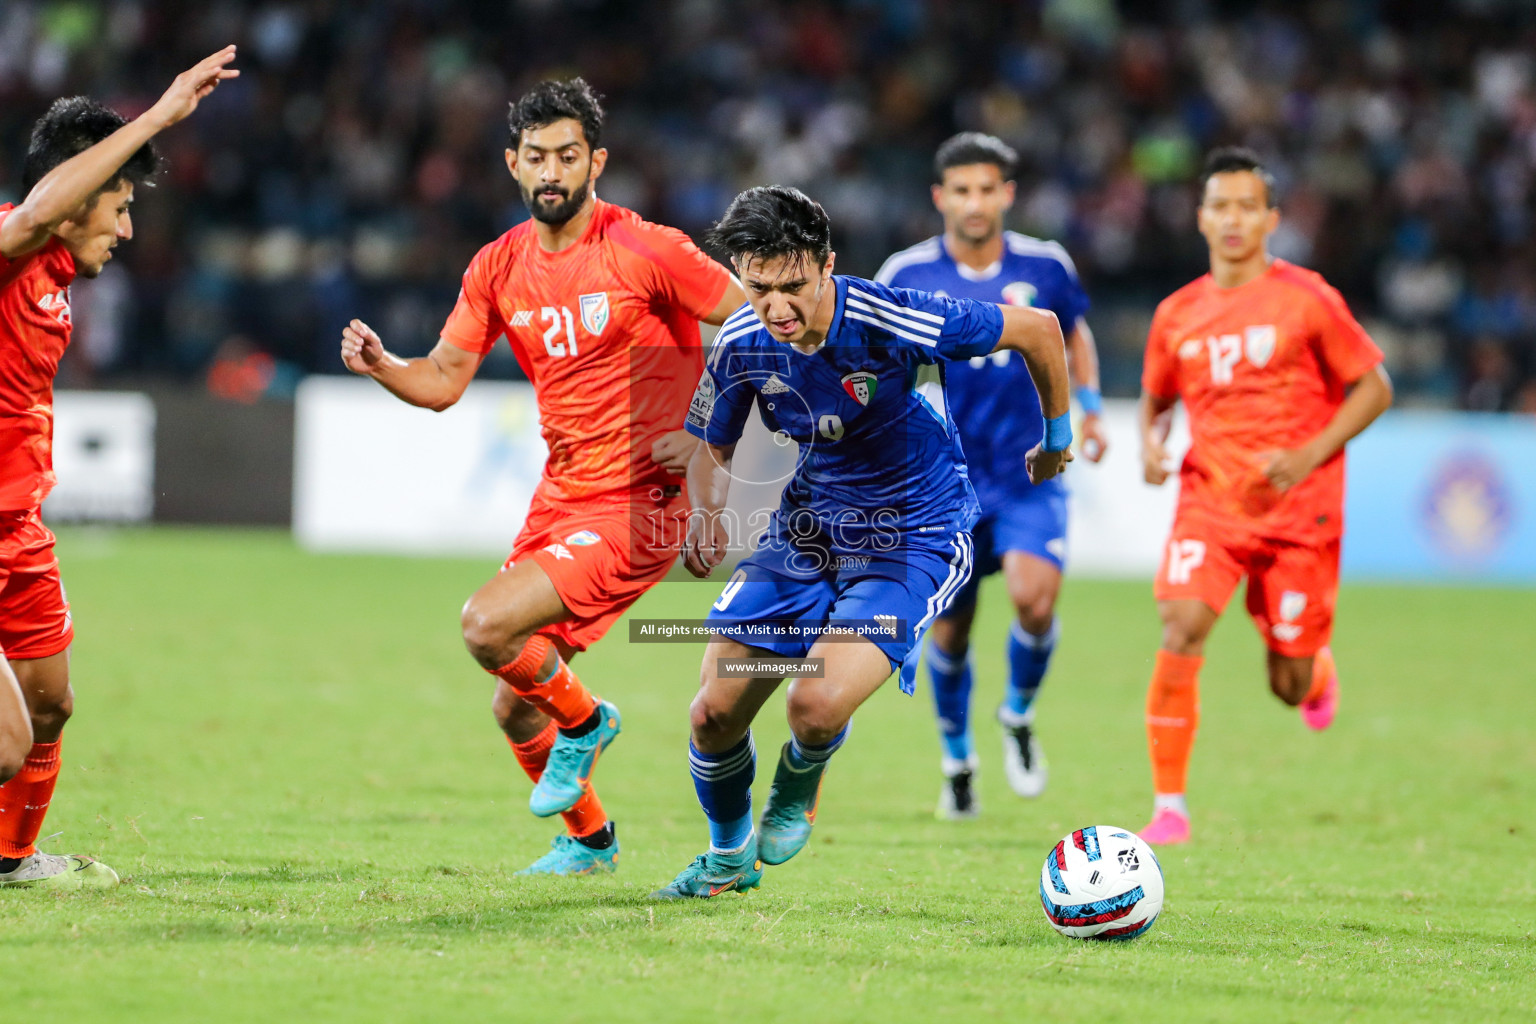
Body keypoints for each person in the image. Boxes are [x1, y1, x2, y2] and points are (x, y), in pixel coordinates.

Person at [341, 79, 742, 876]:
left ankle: (590, 725)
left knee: (486, 627)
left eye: (567, 155)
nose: (551, 171)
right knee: (514, 707)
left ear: (597, 161)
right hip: (563, 496)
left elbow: (760, 327)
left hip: (643, 502)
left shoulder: (649, 248)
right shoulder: (498, 266)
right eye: (535, 158)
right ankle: (591, 842)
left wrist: (707, 446)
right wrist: (386, 367)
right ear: (512, 165)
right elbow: (445, 380)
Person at [653, 185, 1072, 899]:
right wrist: (706, 512)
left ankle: (801, 777)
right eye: (758, 288)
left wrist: (1057, 438)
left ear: (826, 265)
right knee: (713, 713)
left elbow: (1039, 329)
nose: (777, 308)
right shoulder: (741, 344)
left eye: (793, 287)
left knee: (812, 706)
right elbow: (711, 445)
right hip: (809, 531)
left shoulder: (888, 315)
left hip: (915, 534)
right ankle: (727, 857)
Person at [0, 46, 240, 888]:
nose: (129, 227)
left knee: (52, 703)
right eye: (120, 202)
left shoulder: (57, 276)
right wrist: (159, 115)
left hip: (16, 527)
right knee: (4, 745)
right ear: (71, 194)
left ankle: (10, 862)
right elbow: (31, 217)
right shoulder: (10, 244)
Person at [1137, 147, 1393, 845]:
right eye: (1220, 205)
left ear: (1272, 218)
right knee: (1180, 624)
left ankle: (1314, 671)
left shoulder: (1307, 298)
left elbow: (1375, 386)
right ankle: (1170, 808)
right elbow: (1157, 399)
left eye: (1248, 206)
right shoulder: (1176, 313)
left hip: (1300, 513)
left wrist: (1311, 452)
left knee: (1288, 683)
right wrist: (1151, 444)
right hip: (1211, 502)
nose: (1233, 219)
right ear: (1200, 218)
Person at [875, 132, 1108, 819]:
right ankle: (957, 760)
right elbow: (884, 367)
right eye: (962, 190)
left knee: (1037, 601)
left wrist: (1087, 410)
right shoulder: (905, 273)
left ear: (1007, 194)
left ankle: (1018, 713)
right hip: (945, 484)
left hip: (1032, 470)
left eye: (987, 189)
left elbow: (1075, 335)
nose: (975, 203)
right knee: (951, 630)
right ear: (940, 198)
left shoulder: (1047, 265)